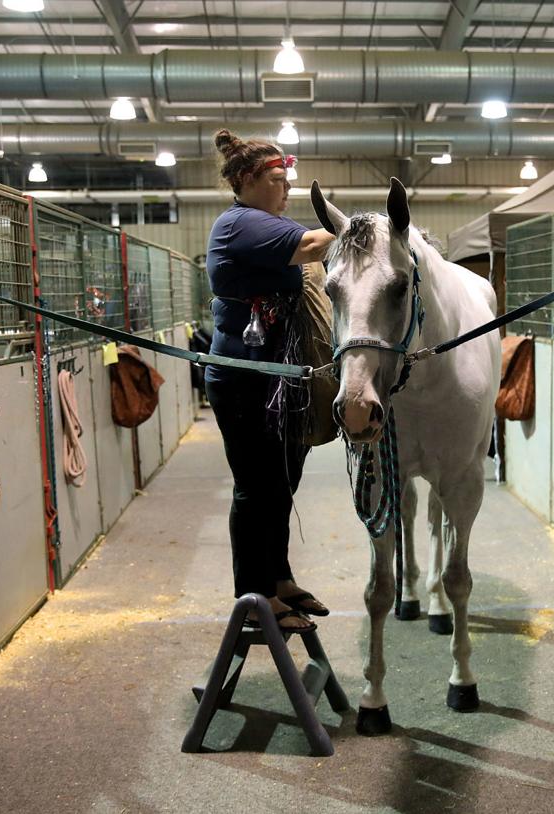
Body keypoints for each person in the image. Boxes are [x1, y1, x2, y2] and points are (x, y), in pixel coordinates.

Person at [205, 129, 335, 632]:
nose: (286, 190)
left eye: (288, 181)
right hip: (245, 380)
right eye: (278, 179)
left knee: (282, 483)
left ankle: (278, 578)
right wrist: (366, 227)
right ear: (245, 180)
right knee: (256, 487)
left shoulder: (265, 222)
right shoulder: (241, 224)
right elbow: (313, 243)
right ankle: (254, 595)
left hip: (276, 379)